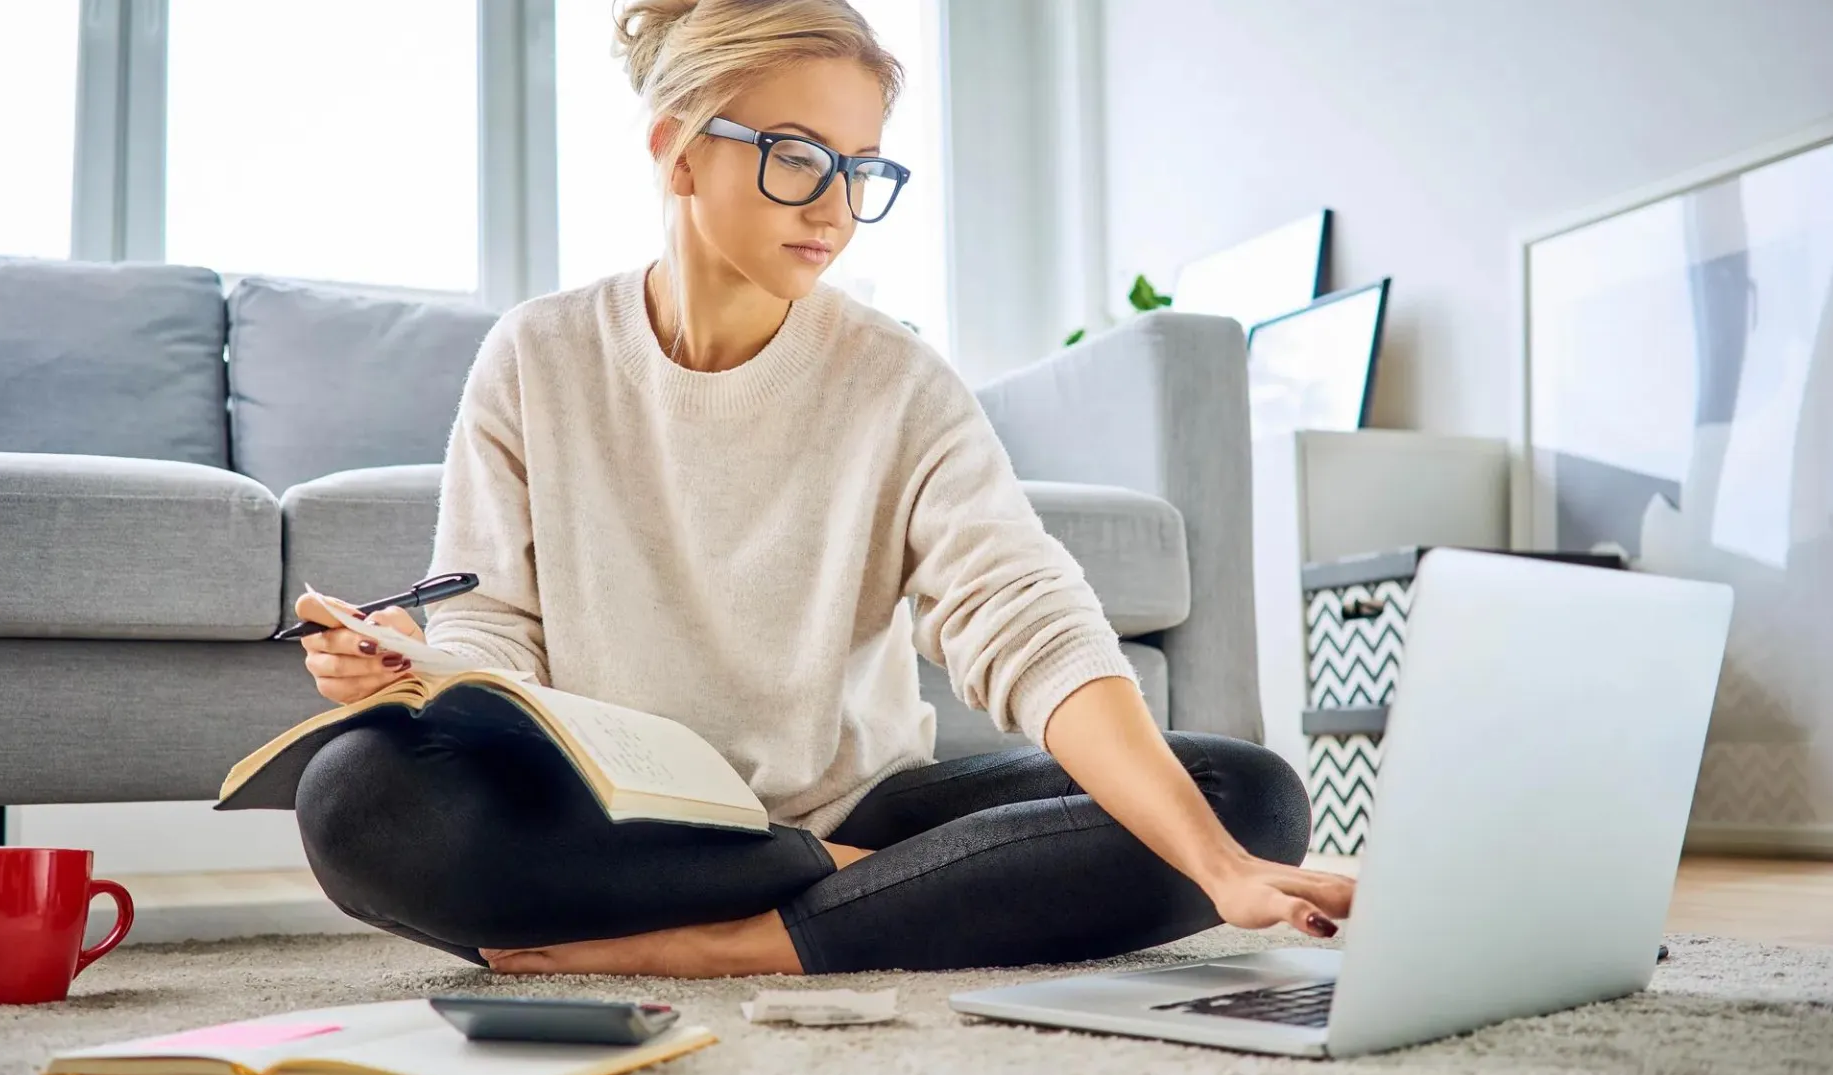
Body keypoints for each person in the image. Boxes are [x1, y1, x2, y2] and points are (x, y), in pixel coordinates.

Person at [288, 0, 1354, 978]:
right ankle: (877, 897)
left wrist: (1216, 864)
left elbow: (1026, 616)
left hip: (863, 806)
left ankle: (728, 940)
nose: (835, 208)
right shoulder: (539, 355)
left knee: (1248, 802)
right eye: (797, 157)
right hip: (616, 813)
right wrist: (417, 666)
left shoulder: (898, 381)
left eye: (862, 169)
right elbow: (491, 623)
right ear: (678, 153)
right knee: (358, 797)